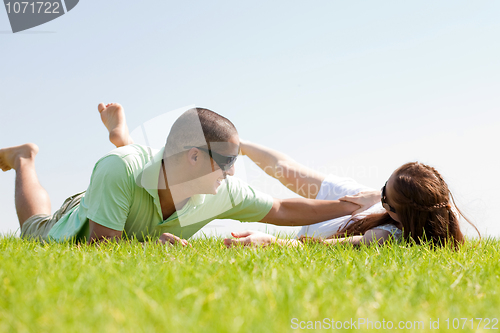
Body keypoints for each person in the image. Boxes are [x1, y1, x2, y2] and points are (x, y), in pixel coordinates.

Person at [0, 103, 379, 246]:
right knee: (35, 226)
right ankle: (23, 159)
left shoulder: (220, 189)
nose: (233, 171)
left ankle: (121, 137)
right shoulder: (117, 169)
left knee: (131, 162)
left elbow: (279, 209)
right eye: (228, 161)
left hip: (136, 179)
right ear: (195, 156)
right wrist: (151, 249)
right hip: (85, 214)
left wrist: (348, 207)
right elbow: (102, 248)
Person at [223, 141, 479, 248]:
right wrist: (239, 144)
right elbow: (284, 170)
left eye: (384, 195)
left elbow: (318, 250)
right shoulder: (361, 196)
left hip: (341, 213)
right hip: (351, 202)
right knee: (287, 172)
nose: (378, 194)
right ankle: (242, 145)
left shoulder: (382, 236)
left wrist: (269, 241)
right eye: (382, 186)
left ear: (401, 213)